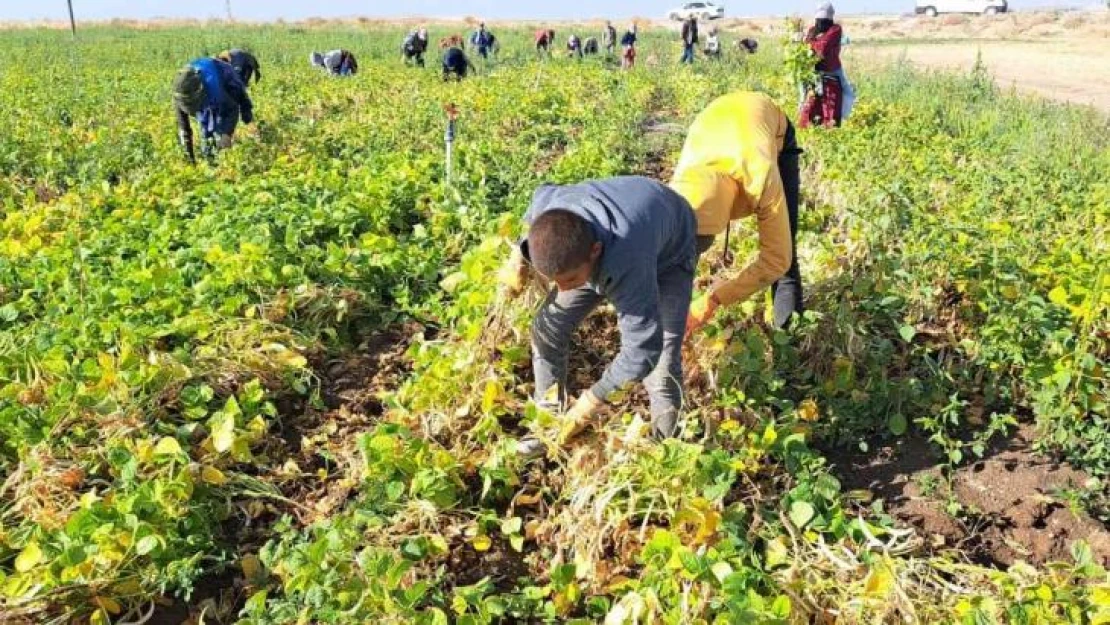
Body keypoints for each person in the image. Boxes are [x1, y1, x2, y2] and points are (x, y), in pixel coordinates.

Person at [498, 177, 698, 457]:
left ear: (595, 252)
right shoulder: (550, 209)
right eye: (554, 280)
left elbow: (642, 350)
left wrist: (591, 400)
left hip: (670, 252)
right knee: (547, 327)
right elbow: (540, 195)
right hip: (617, 228)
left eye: (568, 279)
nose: (562, 288)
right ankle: (548, 420)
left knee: (662, 366)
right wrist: (520, 256)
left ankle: (666, 454)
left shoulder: (628, 261)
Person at [669, 91, 803, 332]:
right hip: (717, 120)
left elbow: (777, 260)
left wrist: (715, 299)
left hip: (763, 124)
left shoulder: (760, 177)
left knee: (786, 256)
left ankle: (789, 339)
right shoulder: (681, 185)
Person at [172, 57, 253, 164]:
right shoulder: (180, 98)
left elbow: (232, 109)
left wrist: (226, 134)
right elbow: (184, 130)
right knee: (207, 138)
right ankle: (211, 161)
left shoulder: (217, 89)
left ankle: (249, 119)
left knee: (240, 98)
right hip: (204, 85)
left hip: (224, 76)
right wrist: (189, 160)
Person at [802, 2, 855, 124]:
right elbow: (813, 47)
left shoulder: (835, 29)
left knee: (848, 93)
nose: (822, 22)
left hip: (830, 68)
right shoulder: (815, 30)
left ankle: (844, 118)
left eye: (823, 19)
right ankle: (809, 119)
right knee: (808, 94)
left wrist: (808, 42)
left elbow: (822, 47)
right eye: (821, 19)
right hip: (819, 69)